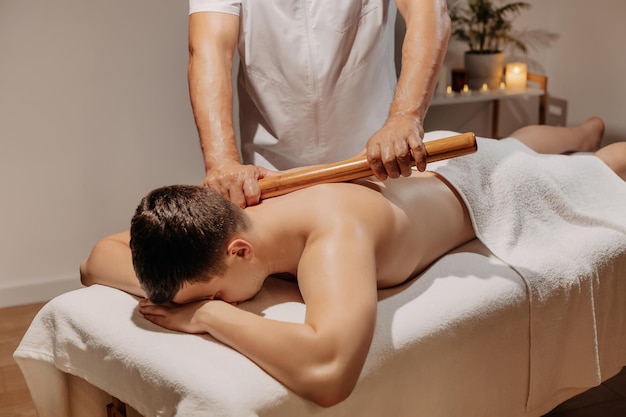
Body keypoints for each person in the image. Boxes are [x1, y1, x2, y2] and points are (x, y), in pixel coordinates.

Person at [80, 118, 626, 407]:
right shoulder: (225, 218)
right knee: (510, 141)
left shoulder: (333, 238)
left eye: (213, 291)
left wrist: (208, 316)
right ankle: (581, 130)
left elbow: (330, 373)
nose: (210, 302)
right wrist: (186, 296)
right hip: (436, 164)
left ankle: (595, 143)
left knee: (588, 168)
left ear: (238, 250)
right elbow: (96, 259)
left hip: (494, 185)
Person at [188, 0, 452, 208]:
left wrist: (405, 116)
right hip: (270, 177)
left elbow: (428, 12)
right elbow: (210, 48)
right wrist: (222, 161)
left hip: (374, 163)